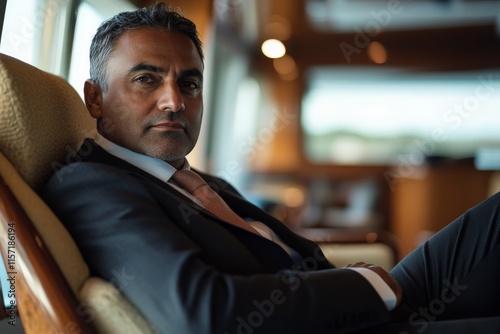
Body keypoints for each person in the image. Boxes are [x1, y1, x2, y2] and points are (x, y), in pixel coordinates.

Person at [42, 3, 500, 333]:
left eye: (190, 83)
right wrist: (363, 285)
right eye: (146, 79)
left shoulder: (198, 182)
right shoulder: (90, 184)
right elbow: (201, 313)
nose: (175, 100)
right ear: (95, 98)